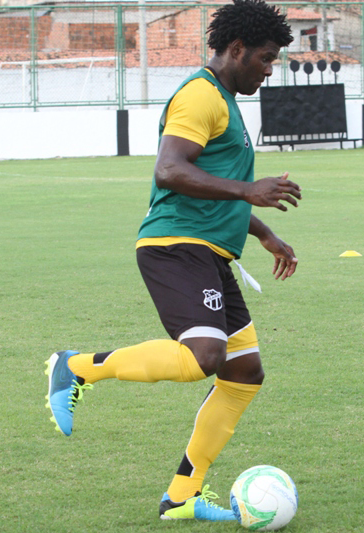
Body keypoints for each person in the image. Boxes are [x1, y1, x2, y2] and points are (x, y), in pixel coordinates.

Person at [44, 0, 299, 522]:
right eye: (267, 58)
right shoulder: (200, 96)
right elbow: (169, 170)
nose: (270, 69)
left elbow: (214, 188)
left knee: (244, 372)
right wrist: (249, 189)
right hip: (176, 246)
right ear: (236, 49)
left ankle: (183, 494)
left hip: (209, 252)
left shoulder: (224, 101)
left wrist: (266, 233)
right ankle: (75, 367)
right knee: (204, 356)